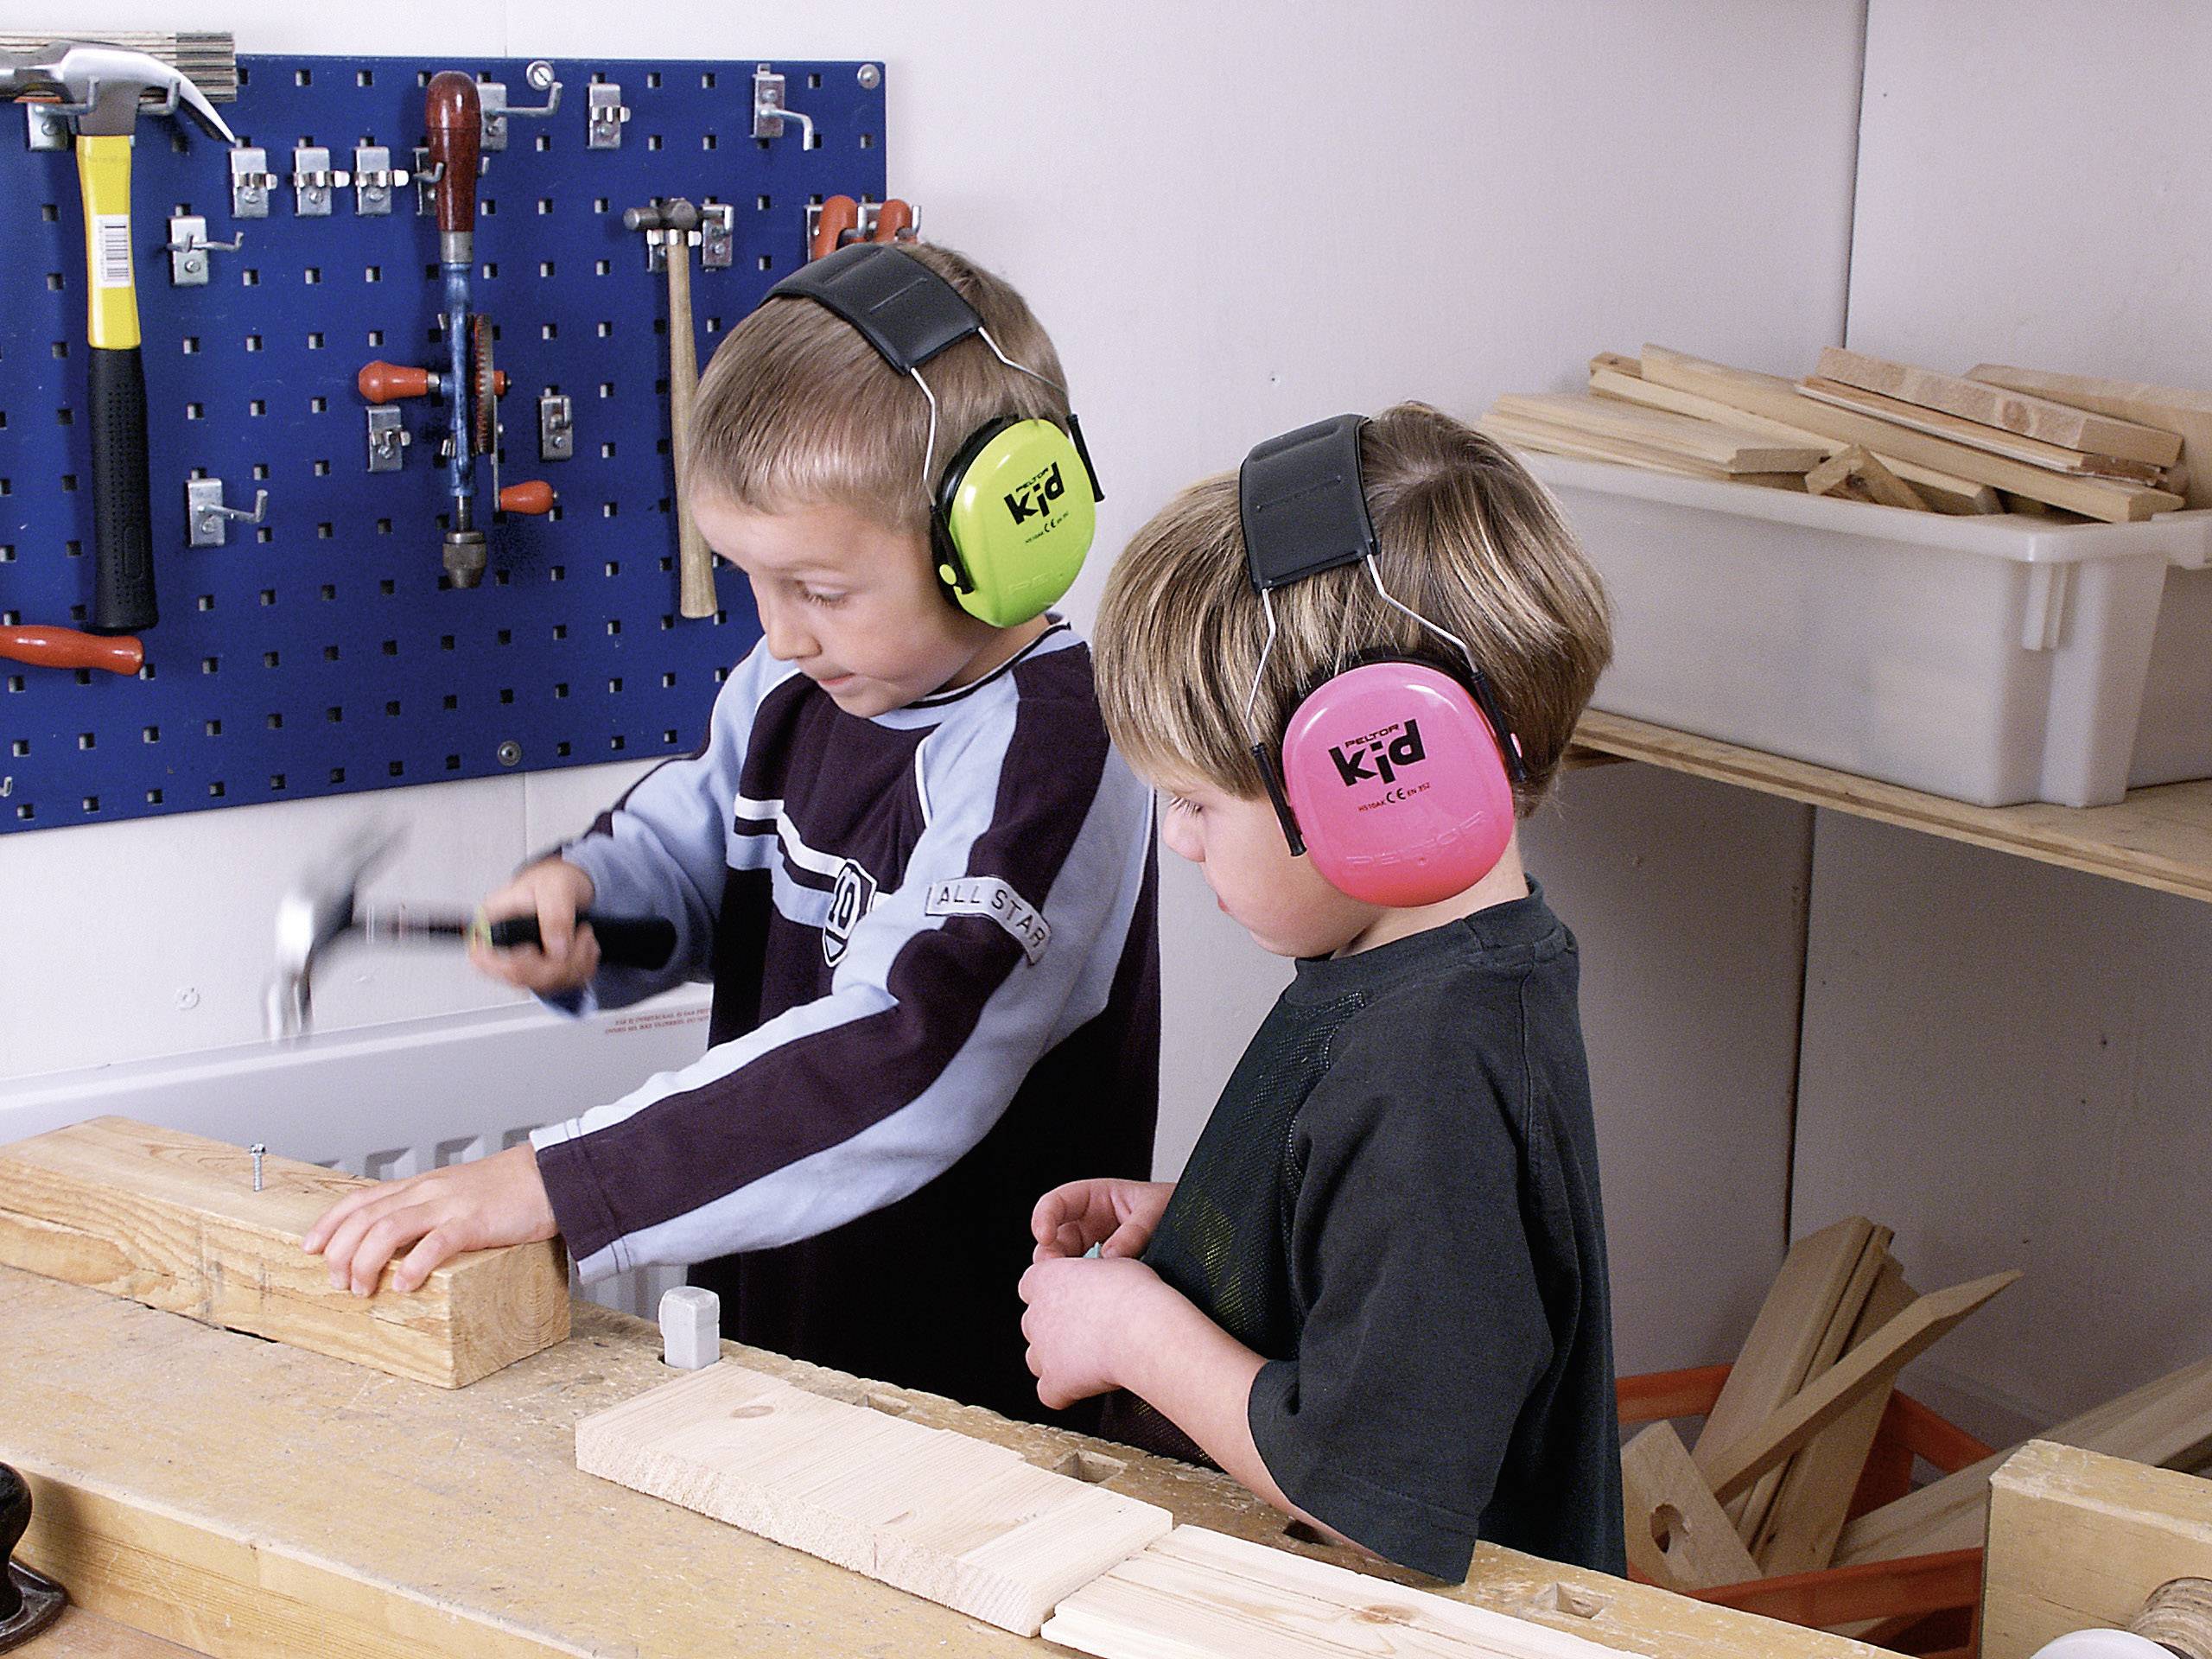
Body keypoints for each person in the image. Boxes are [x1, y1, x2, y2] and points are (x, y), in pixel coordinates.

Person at [307, 242, 1160, 1424]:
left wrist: (557, 1181)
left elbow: (904, 1051)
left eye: (818, 587)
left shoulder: (1056, 754)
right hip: (786, 1322)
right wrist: (591, 903)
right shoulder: (798, 679)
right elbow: (700, 835)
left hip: (975, 1375)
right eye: (750, 579)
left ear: (1005, 536)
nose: (781, 632)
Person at [1018, 405, 1624, 1574]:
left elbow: (1374, 1482)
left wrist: (1140, 1338)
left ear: (1376, 776)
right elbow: (1395, 1271)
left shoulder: (1436, 1068)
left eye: (1197, 803)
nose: (1179, 842)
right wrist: (1216, 1234)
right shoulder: (1405, 972)